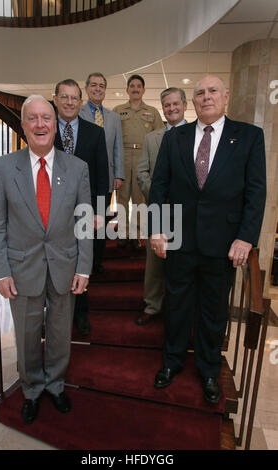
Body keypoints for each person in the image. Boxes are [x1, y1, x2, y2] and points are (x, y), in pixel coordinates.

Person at [149, 75, 266, 404]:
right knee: (176, 307)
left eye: (212, 91)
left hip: (223, 245)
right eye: (199, 93)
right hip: (179, 242)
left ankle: (209, 370)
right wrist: (157, 228)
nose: (206, 97)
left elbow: (256, 193)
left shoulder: (249, 137)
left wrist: (246, 237)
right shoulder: (175, 139)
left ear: (225, 96)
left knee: (214, 312)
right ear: (193, 101)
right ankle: (171, 363)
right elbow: (159, 186)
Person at [0, 95, 93, 424]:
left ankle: (55, 385)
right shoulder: (2, 167)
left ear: (56, 124)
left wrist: (84, 267)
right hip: (21, 269)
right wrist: (0, 271)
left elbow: (84, 223)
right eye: (32, 118)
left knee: (60, 333)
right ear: (22, 125)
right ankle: (32, 389)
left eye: (46, 118)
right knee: (27, 335)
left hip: (65, 266)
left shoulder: (78, 168)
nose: (40, 124)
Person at [53, 78, 109, 336]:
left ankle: (81, 314)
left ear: (80, 101)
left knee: (81, 264)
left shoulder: (95, 132)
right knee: (54, 265)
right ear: (55, 100)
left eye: (74, 97)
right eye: (64, 97)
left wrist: (100, 211)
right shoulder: (46, 129)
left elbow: (101, 176)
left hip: (85, 211)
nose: (69, 102)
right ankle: (55, 316)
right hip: (51, 213)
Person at [136, 87, 187, 326]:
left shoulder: (197, 135)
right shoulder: (152, 138)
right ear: (162, 108)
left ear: (185, 105)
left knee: (181, 262)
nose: (172, 108)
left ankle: (178, 309)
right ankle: (152, 305)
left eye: (176, 104)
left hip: (187, 213)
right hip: (158, 210)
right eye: (167, 105)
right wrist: (158, 195)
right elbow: (141, 172)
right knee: (154, 263)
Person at [80, 72, 124, 272]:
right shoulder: (78, 113)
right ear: (87, 88)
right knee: (82, 221)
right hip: (82, 178)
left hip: (105, 180)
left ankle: (97, 262)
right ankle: (83, 262)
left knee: (100, 219)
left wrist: (118, 175)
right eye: (94, 85)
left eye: (101, 86)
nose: (98, 89)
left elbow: (118, 148)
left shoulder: (114, 118)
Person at [113, 74, 163, 249]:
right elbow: (111, 138)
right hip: (123, 156)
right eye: (132, 86)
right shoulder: (118, 110)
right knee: (122, 197)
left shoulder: (152, 112)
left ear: (143, 90)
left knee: (140, 199)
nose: (135, 89)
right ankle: (122, 233)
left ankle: (135, 234)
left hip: (143, 157)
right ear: (127, 90)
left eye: (138, 86)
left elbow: (159, 138)